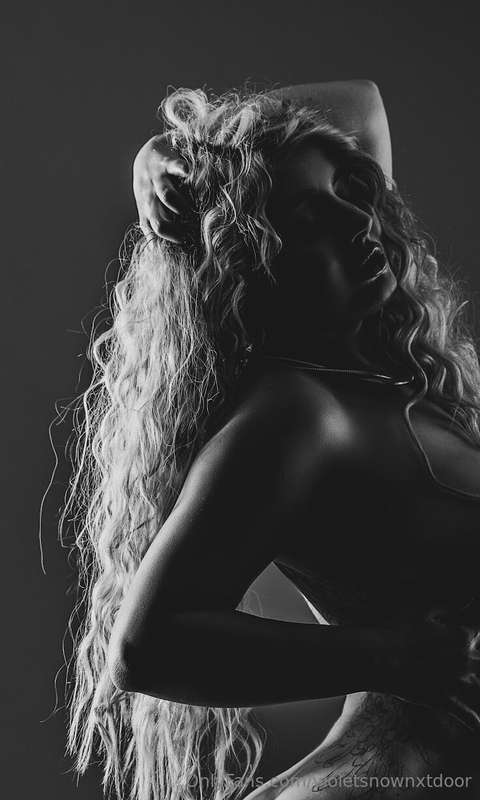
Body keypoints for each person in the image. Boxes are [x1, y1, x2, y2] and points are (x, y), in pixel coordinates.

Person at [62, 81, 480, 800]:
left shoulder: (392, 382)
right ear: (249, 264)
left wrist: (168, 152)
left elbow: (361, 104)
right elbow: (146, 647)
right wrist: (391, 656)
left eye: (350, 192)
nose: (359, 221)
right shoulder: (299, 413)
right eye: (309, 218)